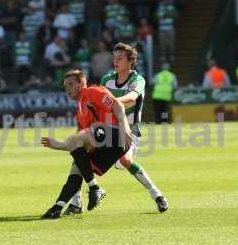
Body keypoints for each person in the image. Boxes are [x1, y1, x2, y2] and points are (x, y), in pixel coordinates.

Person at [66, 43, 169, 215]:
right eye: (114, 58)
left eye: (120, 58)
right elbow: (99, 100)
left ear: (131, 61)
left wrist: (114, 103)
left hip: (129, 130)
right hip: (107, 129)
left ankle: (157, 195)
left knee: (125, 161)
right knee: (79, 156)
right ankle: (76, 203)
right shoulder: (107, 78)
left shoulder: (138, 80)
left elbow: (132, 98)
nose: (115, 61)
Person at [41, 69, 132, 219]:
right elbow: (75, 144)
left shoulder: (92, 92)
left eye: (71, 84)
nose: (67, 89)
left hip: (116, 136)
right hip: (106, 145)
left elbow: (118, 106)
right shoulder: (80, 110)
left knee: (80, 136)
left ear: (81, 84)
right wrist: (58, 145)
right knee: (76, 167)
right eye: (65, 86)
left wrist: (125, 127)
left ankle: (94, 187)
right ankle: (58, 206)